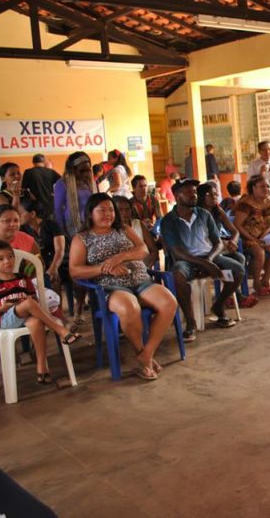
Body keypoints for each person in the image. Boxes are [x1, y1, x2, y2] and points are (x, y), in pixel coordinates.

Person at [70, 193, 177, 380]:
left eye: (111, 209)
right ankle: (142, 353)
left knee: (169, 302)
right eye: (101, 210)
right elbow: (75, 271)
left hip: (140, 280)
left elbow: (143, 249)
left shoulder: (124, 229)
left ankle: (146, 355)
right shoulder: (82, 238)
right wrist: (105, 268)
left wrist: (119, 257)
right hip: (111, 288)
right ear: (90, 214)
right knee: (130, 308)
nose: (108, 214)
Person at [0, 241, 80, 385]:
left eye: (10, 257)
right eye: (1, 259)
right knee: (28, 304)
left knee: (35, 321)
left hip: (27, 315)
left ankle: (42, 369)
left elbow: (33, 300)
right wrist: (4, 308)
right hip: (6, 319)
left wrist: (27, 302)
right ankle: (61, 330)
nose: (7, 261)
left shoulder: (23, 278)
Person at [161, 179, 241, 341]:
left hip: (209, 255)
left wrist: (210, 259)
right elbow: (177, 252)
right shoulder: (168, 220)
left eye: (195, 192)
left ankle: (218, 306)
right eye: (189, 192)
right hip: (186, 260)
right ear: (177, 196)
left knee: (238, 270)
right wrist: (204, 263)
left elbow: (218, 242)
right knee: (178, 275)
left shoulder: (204, 214)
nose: (194, 195)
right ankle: (191, 322)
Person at [54, 151, 98, 323]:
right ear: (72, 171)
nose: (86, 174)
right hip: (73, 233)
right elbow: (58, 211)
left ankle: (97, 301)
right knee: (80, 271)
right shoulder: (62, 184)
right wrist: (67, 236)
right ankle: (79, 307)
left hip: (93, 231)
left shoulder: (90, 183)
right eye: (82, 171)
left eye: (88, 170)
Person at [197, 183, 257, 308]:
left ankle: (230, 294)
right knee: (235, 265)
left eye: (216, 194)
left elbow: (235, 231)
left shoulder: (218, 211)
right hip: (207, 250)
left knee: (240, 257)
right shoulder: (197, 213)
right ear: (202, 196)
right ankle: (235, 295)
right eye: (211, 194)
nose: (215, 197)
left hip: (219, 247)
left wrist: (234, 241)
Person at [233, 175, 270, 297]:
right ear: (253, 188)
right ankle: (256, 282)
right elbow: (237, 225)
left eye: (267, 186)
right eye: (262, 187)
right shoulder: (246, 203)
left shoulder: (269, 201)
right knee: (259, 252)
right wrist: (252, 239)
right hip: (246, 238)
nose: (266, 189)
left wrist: (264, 236)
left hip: (263, 237)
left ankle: (265, 280)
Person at [19, 197, 67, 297]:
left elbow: (60, 250)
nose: (19, 216)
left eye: (21, 213)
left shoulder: (51, 225)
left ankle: (56, 309)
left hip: (60, 261)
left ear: (32, 214)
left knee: (53, 277)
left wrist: (54, 268)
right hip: (41, 263)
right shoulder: (24, 229)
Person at [113, 196, 159, 269]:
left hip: (142, 267)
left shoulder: (138, 224)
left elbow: (153, 250)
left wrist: (145, 267)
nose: (124, 213)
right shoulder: (111, 230)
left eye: (127, 209)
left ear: (131, 210)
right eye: (120, 210)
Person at [21, 154, 61, 220]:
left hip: (36, 204)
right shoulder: (51, 172)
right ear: (44, 162)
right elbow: (63, 183)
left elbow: (23, 189)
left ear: (33, 162)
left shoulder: (28, 172)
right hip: (50, 204)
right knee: (51, 224)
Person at [248, 141, 270, 206]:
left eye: (269, 149)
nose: (267, 152)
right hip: (262, 201)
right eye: (264, 150)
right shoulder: (253, 164)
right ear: (259, 151)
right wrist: (261, 172)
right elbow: (251, 184)